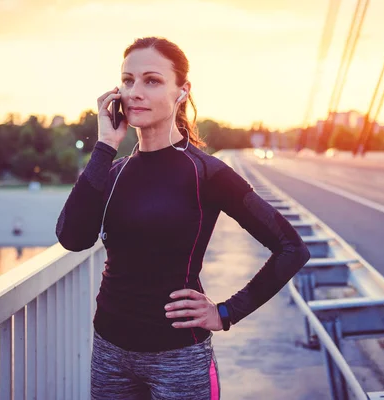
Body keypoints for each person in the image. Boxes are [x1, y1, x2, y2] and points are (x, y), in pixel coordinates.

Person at [55, 36, 310, 400]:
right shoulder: (112, 172)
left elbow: (291, 248)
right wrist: (105, 145)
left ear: (182, 92)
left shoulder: (207, 173)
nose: (135, 92)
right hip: (110, 350)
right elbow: (72, 238)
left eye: (152, 80)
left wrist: (225, 312)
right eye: (127, 81)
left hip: (179, 356)